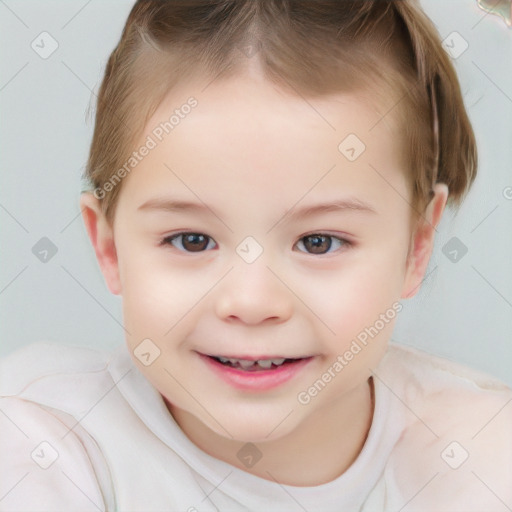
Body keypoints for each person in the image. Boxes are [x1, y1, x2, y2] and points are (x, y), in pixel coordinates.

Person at [1, 1, 510, 510]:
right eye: (191, 240)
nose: (251, 301)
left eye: (319, 242)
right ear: (108, 247)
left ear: (416, 247)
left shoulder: (480, 461)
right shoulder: (43, 445)